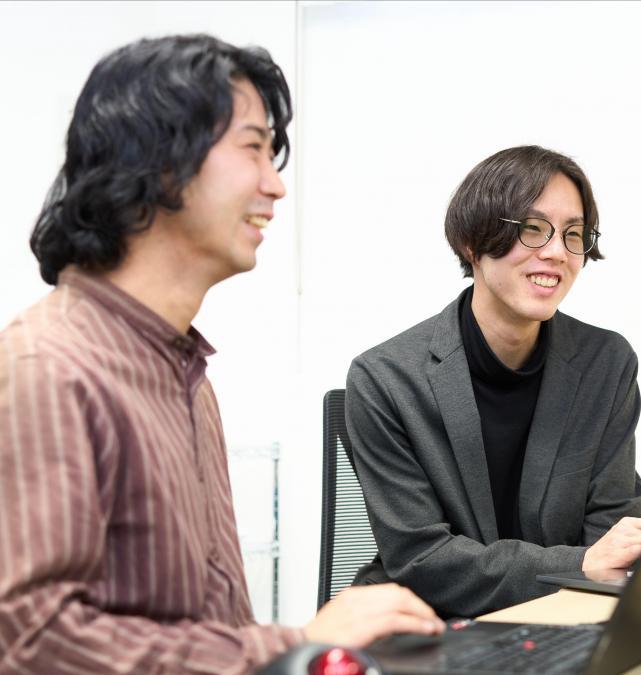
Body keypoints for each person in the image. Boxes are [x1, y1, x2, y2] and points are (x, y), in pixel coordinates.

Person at [0, 34, 442, 674]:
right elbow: (32, 641)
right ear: (158, 161)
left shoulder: (187, 375)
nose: (275, 185)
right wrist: (293, 643)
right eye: (253, 148)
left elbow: (206, 629)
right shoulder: (47, 367)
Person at [346, 145, 641, 618]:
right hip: (429, 623)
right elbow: (422, 559)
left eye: (574, 234)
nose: (556, 252)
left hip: (564, 618)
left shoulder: (606, 364)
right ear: (472, 243)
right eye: (532, 229)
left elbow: (616, 532)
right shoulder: (385, 378)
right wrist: (578, 565)